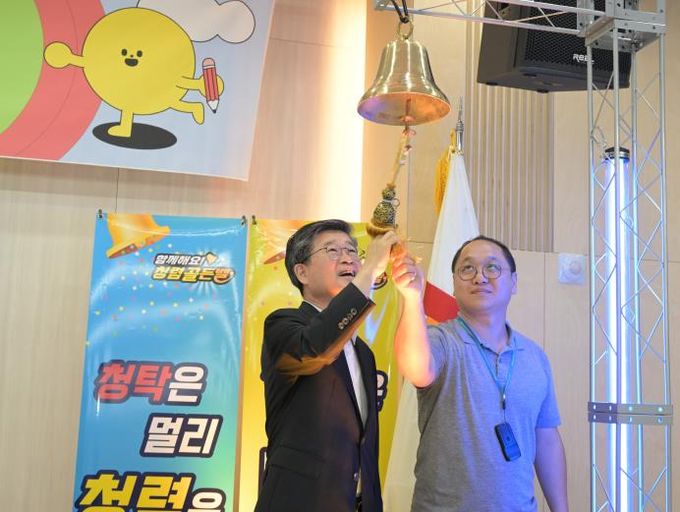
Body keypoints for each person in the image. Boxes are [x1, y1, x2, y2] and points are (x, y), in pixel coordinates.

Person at [390, 235, 569, 512]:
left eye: (492, 267)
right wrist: (413, 299)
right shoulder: (440, 340)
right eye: (467, 268)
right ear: (454, 283)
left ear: (514, 282)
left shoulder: (535, 356)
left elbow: (546, 439)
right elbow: (417, 369)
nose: (479, 277)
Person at [255, 219, 399, 512]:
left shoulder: (364, 354)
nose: (348, 258)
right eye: (332, 251)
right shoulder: (283, 326)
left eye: (352, 250)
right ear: (302, 272)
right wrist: (370, 269)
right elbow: (317, 346)